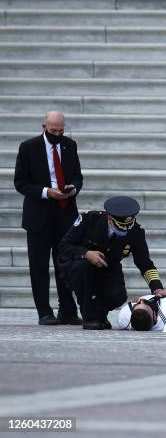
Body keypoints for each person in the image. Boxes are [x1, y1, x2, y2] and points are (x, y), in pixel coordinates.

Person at [13, 111, 83, 326]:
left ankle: (68, 310)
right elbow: (20, 183)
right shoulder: (28, 147)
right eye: (53, 131)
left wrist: (73, 188)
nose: (57, 134)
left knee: (65, 263)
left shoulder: (69, 145)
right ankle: (44, 311)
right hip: (39, 216)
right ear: (44, 126)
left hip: (65, 213)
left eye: (61, 131)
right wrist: (46, 192)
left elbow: (78, 176)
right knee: (39, 266)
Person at [59, 196, 165, 330]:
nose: (124, 231)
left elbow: (145, 263)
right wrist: (86, 253)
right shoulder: (89, 220)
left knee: (118, 296)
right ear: (109, 219)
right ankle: (90, 318)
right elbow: (64, 246)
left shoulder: (135, 232)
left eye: (127, 228)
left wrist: (157, 288)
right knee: (83, 268)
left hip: (108, 267)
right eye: (121, 227)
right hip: (79, 265)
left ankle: (100, 314)